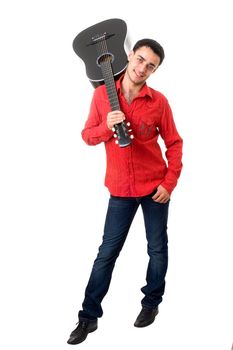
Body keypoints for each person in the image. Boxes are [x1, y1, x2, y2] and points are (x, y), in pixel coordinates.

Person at [67, 38, 183, 345]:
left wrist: (168, 184)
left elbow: (174, 143)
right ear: (129, 55)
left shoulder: (159, 102)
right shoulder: (102, 96)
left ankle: (151, 303)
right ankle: (88, 317)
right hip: (120, 188)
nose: (142, 67)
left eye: (151, 65)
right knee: (106, 254)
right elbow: (87, 136)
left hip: (155, 187)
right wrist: (106, 126)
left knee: (157, 249)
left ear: (154, 71)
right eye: (140, 59)